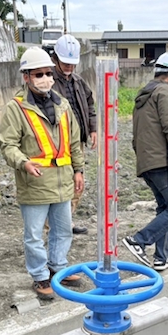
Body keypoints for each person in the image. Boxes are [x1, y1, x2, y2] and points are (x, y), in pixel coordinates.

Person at [0, 47, 85, 300]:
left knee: (63, 229)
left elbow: (74, 142)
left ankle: (58, 267)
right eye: (39, 74)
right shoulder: (16, 109)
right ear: (26, 77)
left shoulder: (63, 105)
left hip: (62, 181)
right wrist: (23, 163)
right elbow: (7, 145)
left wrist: (78, 170)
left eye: (48, 73)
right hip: (34, 183)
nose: (45, 79)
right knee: (34, 235)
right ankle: (40, 276)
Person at [122, 52, 168, 272]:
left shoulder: (144, 96)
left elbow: (136, 135)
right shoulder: (166, 92)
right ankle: (139, 240)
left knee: (166, 207)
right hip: (164, 162)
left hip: (148, 162)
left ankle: (161, 257)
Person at [51, 34, 96, 235]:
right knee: (57, 186)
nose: (69, 67)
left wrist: (93, 128)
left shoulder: (78, 81)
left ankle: (66, 222)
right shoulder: (48, 81)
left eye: (72, 63)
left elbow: (90, 104)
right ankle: (53, 227)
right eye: (65, 62)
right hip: (57, 143)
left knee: (77, 184)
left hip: (77, 143)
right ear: (56, 59)